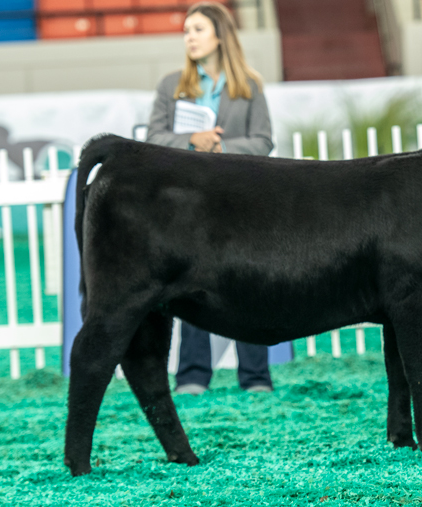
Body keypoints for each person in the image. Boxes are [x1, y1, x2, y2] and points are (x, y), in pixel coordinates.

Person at [147, 1, 274, 394]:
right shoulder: (171, 85)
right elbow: (153, 139)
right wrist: (191, 141)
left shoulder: (249, 85)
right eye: (186, 31)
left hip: (240, 202)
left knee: (249, 286)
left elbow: (264, 142)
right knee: (191, 286)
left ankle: (255, 378)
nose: (189, 37)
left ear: (220, 35)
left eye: (197, 30)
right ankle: (192, 376)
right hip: (189, 206)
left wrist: (220, 149)